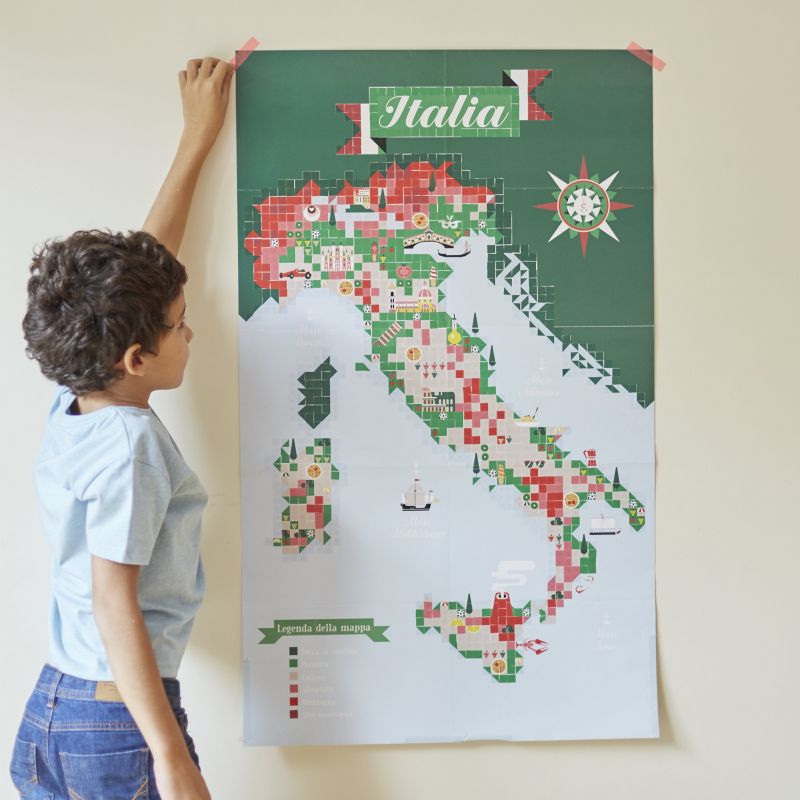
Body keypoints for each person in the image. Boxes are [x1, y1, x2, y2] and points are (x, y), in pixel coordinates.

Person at [9, 56, 232, 800]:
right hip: (118, 723)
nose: (191, 333)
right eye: (181, 325)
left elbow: (144, 273)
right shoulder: (132, 446)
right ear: (136, 358)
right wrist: (171, 757)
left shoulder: (79, 397)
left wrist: (195, 139)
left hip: (56, 706)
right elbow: (114, 601)